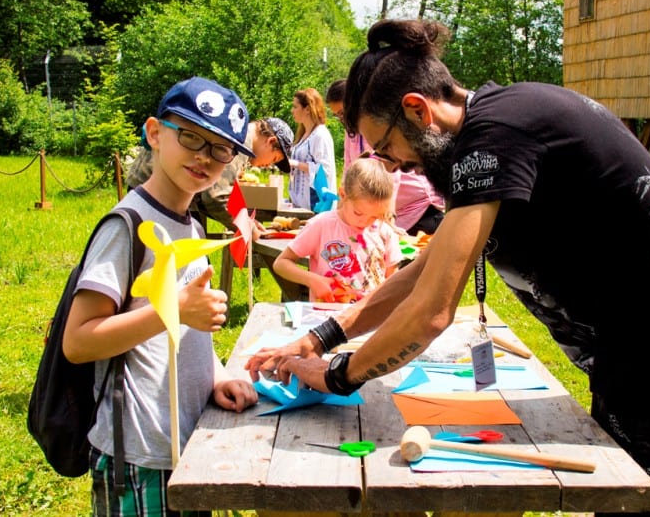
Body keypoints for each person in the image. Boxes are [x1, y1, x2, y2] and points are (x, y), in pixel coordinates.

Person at [247, 20, 650, 517]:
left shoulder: (494, 137)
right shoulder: (490, 128)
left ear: (417, 110)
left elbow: (431, 312)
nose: (394, 166)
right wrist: (323, 337)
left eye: (387, 149)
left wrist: (337, 375)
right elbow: (425, 270)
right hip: (643, 359)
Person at [64, 76, 259, 516]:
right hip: (139, 452)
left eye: (221, 149)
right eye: (191, 136)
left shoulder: (190, 225)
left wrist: (219, 376)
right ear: (155, 133)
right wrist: (173, 309)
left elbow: (186, 335)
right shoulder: (127, 226)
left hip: (186, 446)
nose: (205, 157)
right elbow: (79, 341)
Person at [126, 116, 294, 231]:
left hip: (162, 192)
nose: (268, 165)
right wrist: (245, 225)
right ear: (270, 141)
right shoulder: (240, 141)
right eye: (274, 158)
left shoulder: (240, 133)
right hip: (157, 195)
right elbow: (215, 197)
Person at [273, 156, 402, 303]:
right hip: (328, 318)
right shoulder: (321, 225)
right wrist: (313, 280)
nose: (365, 221)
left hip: (371, 318)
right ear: (343, 195)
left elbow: (393, 280)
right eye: (358, 213)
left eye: (374, 216)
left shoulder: (384, 231)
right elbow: (281, 263)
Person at [326, 79, 445, 235]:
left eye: (342, 113)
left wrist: (388, 218)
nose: (342, 119)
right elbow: (349, 175)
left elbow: (388, 174)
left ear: (356, 103)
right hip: (391, 214)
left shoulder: (377, 124)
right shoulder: (352, 133)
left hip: (419, 209)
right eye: (337, 116)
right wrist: (338, 218)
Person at [288, 87, 337, 211]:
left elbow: (324, 170)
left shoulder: (320, 135)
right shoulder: (303, 135)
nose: (292, 110)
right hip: (299, 204)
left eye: (295, 107)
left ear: (307, 109)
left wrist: (296, 164)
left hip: (316, 205)